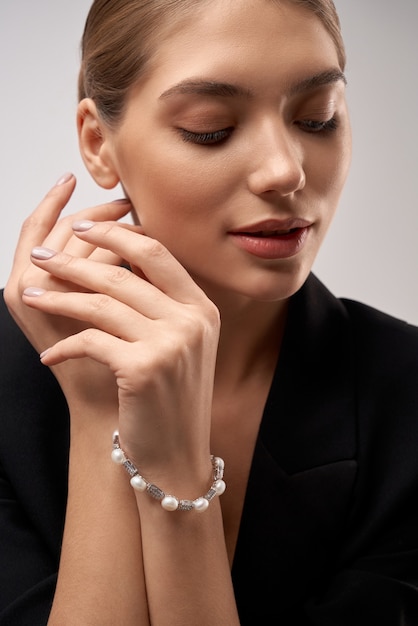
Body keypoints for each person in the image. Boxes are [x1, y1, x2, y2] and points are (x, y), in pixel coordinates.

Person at [1, 0, 418, 623]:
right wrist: (97, 421)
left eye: (317, 118)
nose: (284, 170)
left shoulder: (406, 394)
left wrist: (174, 469)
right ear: (98, 142)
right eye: (210, 129)